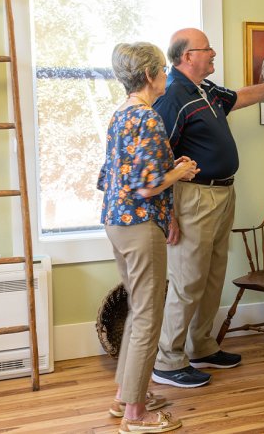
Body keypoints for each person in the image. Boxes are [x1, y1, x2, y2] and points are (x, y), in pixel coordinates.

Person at [150, 28, 264, 388]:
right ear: (187, 57)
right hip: (193, 197)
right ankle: (168, 361)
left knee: (212, 275)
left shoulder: (206, 90)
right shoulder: (173, 95)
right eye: (206, 49)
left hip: (222, 195)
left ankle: (201, 345)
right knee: (187, 281)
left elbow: (242, 96)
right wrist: (168, 213)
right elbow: (159, 156)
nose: (214, 53)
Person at [98, 42, 199, 434]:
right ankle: (135, 415)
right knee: (147, 315)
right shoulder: (149, 118)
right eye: (162, 70)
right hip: (140, 224)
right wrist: (180, 172)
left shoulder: (120, 115)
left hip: (116, 222)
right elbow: (146, 185)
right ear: (149, 76)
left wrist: (165, 170)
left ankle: (125, 395)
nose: (166, 77)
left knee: (138, 310)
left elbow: (111, 176)